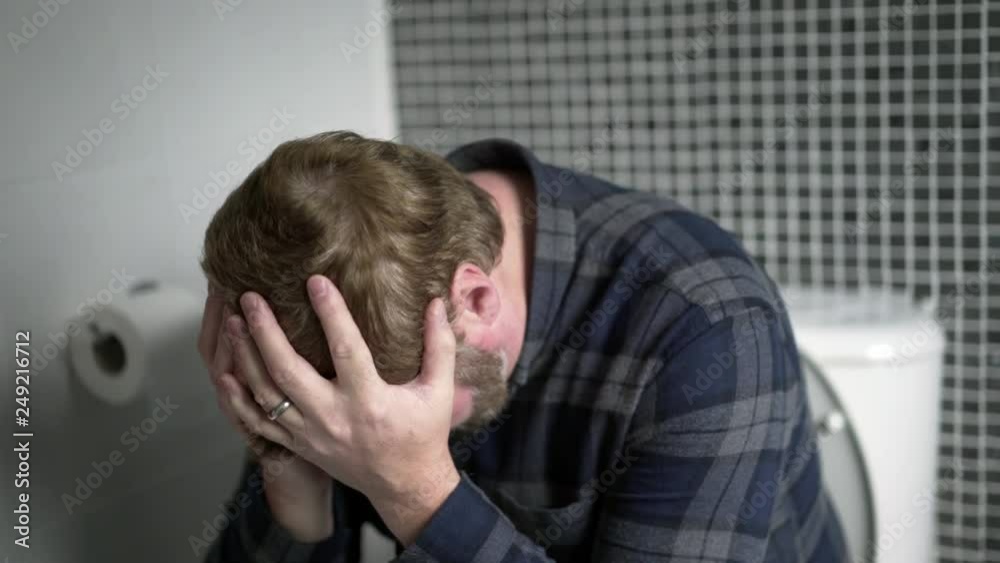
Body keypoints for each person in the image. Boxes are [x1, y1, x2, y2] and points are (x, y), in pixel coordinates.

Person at [197, 131, 847, 562]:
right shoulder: (356, 276)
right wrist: (289, 460)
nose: (359, 434)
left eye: (383, 421)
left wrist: (416, 487)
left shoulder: (710, 327)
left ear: (477, 302)